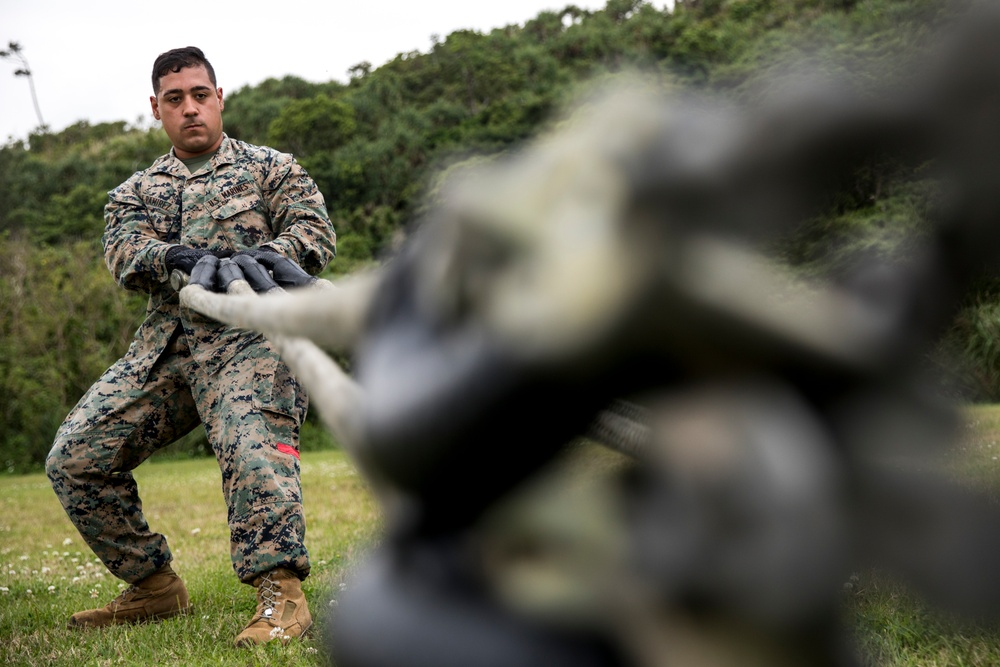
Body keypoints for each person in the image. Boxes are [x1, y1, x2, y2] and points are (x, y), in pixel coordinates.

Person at [45, 46, 337, 647]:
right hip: (167, 350)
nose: (190, 109)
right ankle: (153, 587)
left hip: (253, 341)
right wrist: (170, 255)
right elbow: (124, 250)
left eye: (200, 95)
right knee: (74, 458)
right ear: (156, 109)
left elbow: (314, 229)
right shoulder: (136, 190)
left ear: (220, 97)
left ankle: (281, 597)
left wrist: (275, 256)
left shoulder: (270, 168)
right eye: (174, 99)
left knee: (251, 445)